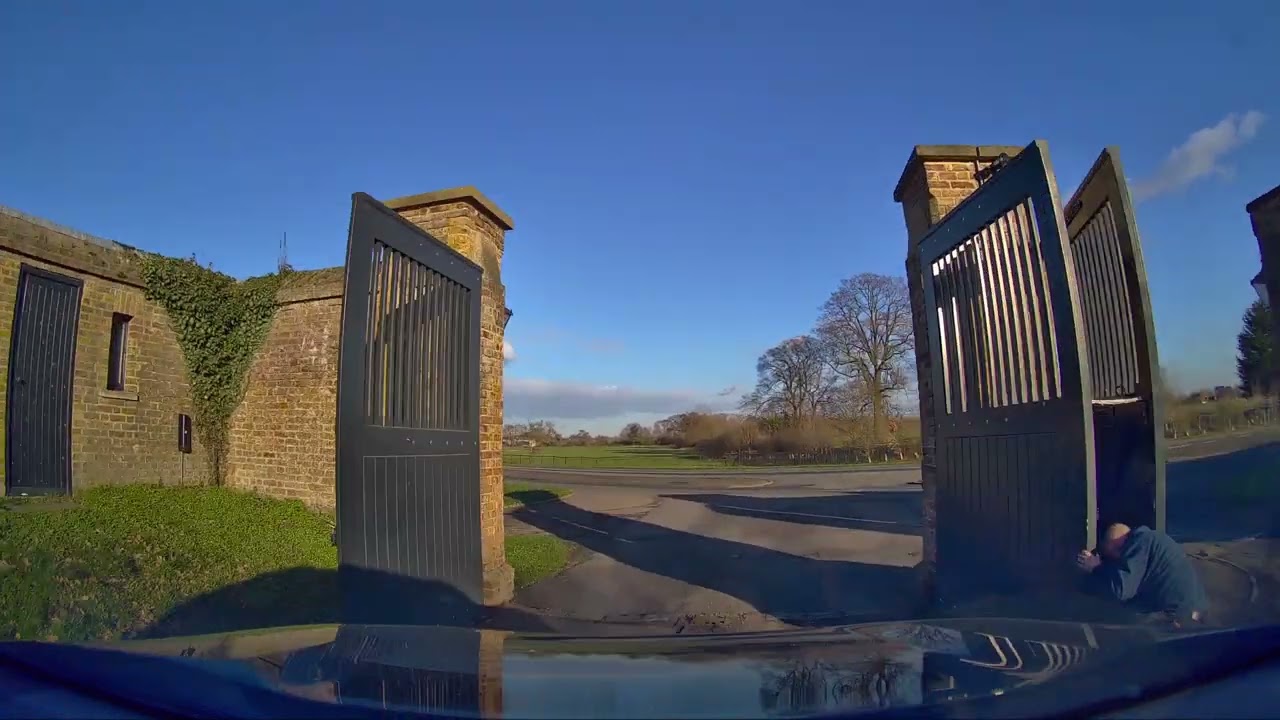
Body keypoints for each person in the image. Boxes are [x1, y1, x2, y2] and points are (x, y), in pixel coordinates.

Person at [1075, 523, 1208, 628]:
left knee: (1119, 623)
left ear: (1117, 545)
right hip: (1193, 613)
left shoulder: (1138, 543)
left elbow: (1121, 590)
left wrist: (1096, 567)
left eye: (1113, 556)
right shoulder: (1153, 538)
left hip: (1175, 617)